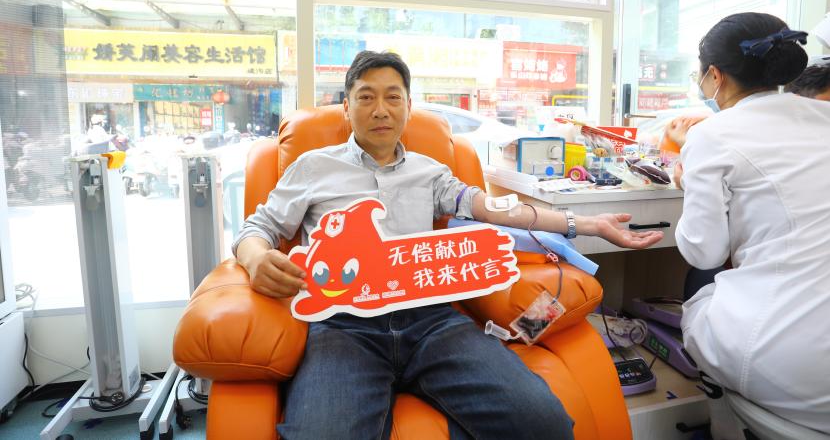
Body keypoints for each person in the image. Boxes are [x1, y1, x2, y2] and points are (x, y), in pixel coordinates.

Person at [233, 50, 664, 440]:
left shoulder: (431, 172)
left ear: (408, 106)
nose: (380, 109)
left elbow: (496, 209)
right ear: (346, 107)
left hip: (432, 322)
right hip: (344, 327)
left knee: (543, 421)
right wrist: (256, 260)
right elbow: (257, 228)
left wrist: (586, 224)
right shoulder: (312, 167)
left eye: (393, 97)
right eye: (365, 97)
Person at [665, 12, 830, 437]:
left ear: (715, 75)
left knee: (702, 284)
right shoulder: (822, 116)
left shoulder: (712, 134)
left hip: (790, 365)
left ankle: (722, 418)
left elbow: (703, 251)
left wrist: (690, 180)